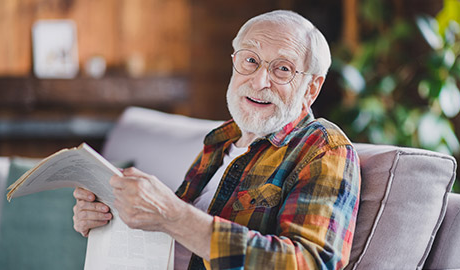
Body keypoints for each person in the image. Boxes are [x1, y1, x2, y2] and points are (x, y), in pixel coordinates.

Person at [72, 10, 360, 270]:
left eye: (282, 69)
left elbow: (308, 263)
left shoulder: (323, 149)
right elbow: (171, 237)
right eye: (250, 60)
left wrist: (175, 215)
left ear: (311, 88)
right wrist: (109, 220)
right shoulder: (220, 142)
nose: (259, 82)